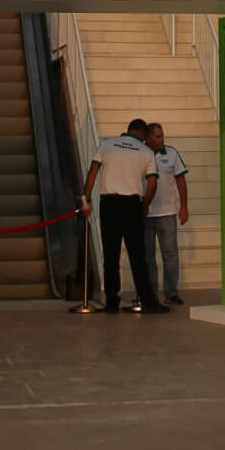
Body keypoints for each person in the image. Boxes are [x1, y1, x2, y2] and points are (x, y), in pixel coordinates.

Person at [79, 118, 163, 313]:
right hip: (132, 204)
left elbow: (93, 171)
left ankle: (111, 301)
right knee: (137, 256)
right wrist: (145, 205)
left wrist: (86, 199)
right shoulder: (146, 152)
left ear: (128, 129)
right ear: (143, 134)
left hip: (109, 204)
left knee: (111, 255)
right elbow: (152, 184)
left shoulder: (107, 144)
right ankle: (147, 301)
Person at [144, 122, 190, 309]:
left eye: (162, 135)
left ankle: (171, 293)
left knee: (170, 254)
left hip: (167, 213)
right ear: (148, 138)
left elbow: (181, 180)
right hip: (145, 214)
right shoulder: (140, 153)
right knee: (147, 257)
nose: (162, 139)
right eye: (158, 136)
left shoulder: (171, 153)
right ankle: (151, 294)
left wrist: (184, 206)